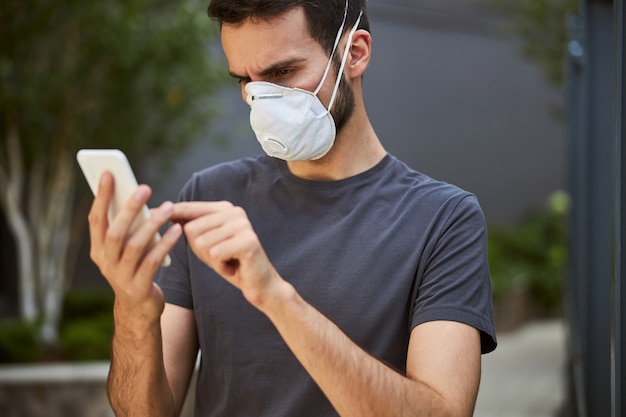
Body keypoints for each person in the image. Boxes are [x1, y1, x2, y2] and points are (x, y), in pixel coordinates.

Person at [87, 0, 497, 416]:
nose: (261, 99)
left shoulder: (444, 219)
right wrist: (133, 309)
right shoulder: (207, 198)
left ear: (355, 53)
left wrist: (276, 297)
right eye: (244, 80)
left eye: (282, 73)